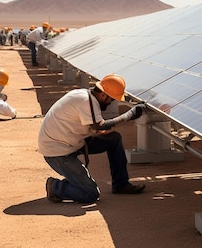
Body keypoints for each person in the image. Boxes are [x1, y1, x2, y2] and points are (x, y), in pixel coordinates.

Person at [38, 73, 146, 203]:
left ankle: (120, 184)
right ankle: (55, 187)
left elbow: (95, 127)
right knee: (90, 194)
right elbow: (100, 126)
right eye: (111, 99)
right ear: (103, 94)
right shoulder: (86, 101)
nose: (111, 102)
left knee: (114, 139)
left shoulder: (86, 96)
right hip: (58, 152)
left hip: (70, 142)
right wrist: (130, 114)